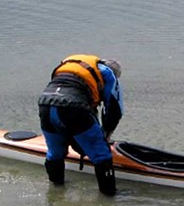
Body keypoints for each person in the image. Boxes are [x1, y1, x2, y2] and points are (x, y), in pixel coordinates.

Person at [38, 54, 124, 196]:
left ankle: (55, 192)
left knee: (55, 152)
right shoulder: (108, 74)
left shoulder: (70, 65)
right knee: (101, 154)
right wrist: (106, 135)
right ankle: (109, 197)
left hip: (45, 104)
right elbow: (114, 109)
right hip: (73, 108)